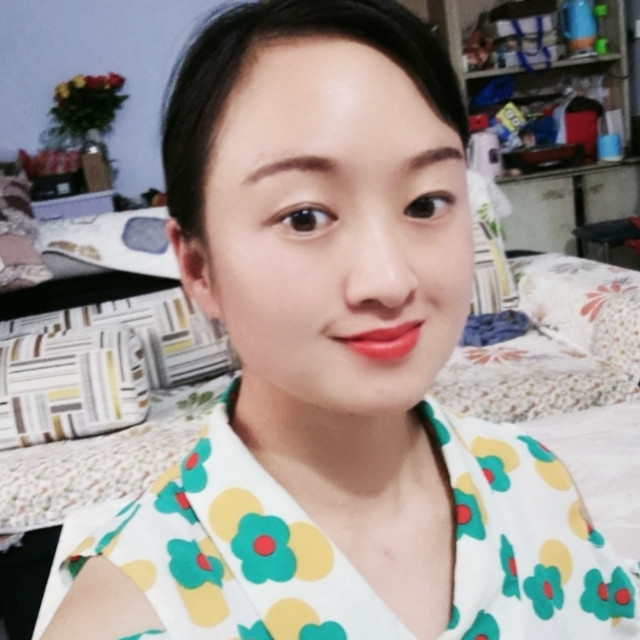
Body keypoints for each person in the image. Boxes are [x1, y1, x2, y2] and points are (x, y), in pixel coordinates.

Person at [42, 0, 639, 638]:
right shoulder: (129, 616)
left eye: (426, 203)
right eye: (304, 218)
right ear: (198, 267)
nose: (389, 280)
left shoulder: (532, 481)